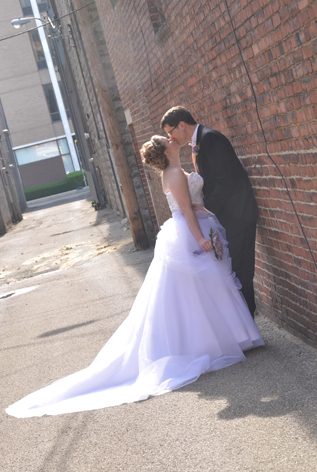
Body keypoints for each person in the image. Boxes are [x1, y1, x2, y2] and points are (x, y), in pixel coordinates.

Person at [5, 136, 263, 418]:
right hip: (190, 232)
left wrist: (204, 211)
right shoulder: (174, 173)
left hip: (200, 223)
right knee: (200, 288)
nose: (173, 139)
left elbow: (193, 203)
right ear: (166, 150)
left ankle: (233, 337)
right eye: (168, 139)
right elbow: (184, 208)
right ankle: (214, 343)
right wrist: (200, 237)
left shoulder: (178, 168)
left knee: (211, 285)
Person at [161, 106, 259, 317]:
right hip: (228, 217)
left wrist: (206, 207)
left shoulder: (211, 139)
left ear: (182, 125)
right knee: (233, 270)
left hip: (238, 216)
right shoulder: (199, 141)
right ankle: (244, 320)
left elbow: (226, 181)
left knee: (241, 270)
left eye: (170, 132)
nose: (171, 137)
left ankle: (248, 321)